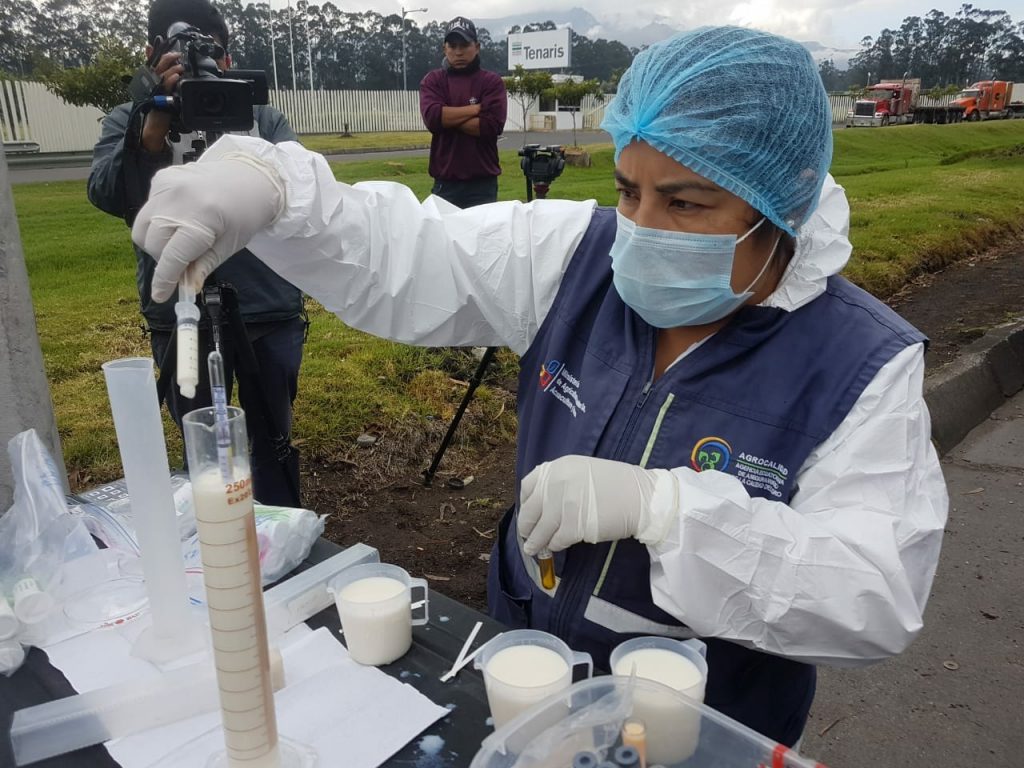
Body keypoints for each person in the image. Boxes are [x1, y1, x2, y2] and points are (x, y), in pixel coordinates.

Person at [130, 26, 948, 746]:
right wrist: (268, 187)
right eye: (630, 190)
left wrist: (669, 512)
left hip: (703, 727)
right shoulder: (576, 257)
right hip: (527, 669)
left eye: (687, 202)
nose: (644, 228)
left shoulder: (858, 364)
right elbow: (413, 255)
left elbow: (872, 595)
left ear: (786, 202)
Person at [88, 0, 305, 507]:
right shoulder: (131, 119)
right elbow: (105, 194)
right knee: (201, 439)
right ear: (152, 56)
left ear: (228, 61)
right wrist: (148, 138)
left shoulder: (262, 118)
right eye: (178, 56)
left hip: (267, 306)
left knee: (272, 434)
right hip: (179, 312)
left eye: (213, 56)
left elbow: (298, 190)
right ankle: (212, 533)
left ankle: (280, 533)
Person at [419, 16, 508, 208]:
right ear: (445, 49)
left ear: (476, 46)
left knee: (483, 238)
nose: (458, 52)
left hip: (482, 186)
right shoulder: (433, 81)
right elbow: (433, 119)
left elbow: (490, 126)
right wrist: (476, 109)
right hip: (445, 185)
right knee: (442, 238)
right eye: (452, 46)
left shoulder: (491, 82)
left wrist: (448, 117)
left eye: (464, 45)